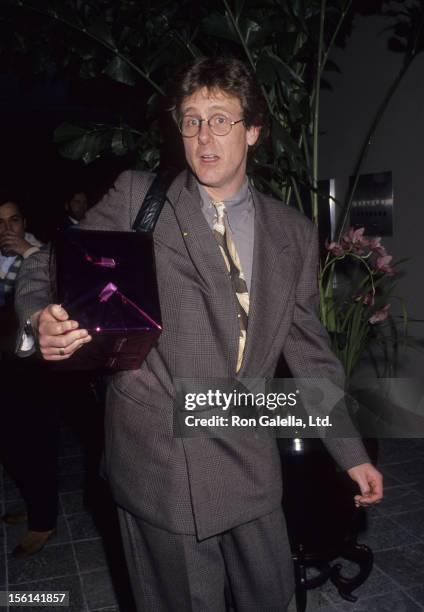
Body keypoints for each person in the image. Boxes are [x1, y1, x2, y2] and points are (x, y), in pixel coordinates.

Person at [15, 57, 383, 609]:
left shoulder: (293, 232)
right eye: (191, 120)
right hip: (161, 457)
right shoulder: (142, 196)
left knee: (270, 595)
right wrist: (38, 316)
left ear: (253, 131)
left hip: (247, 448)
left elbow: (310, 350)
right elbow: (47, 261)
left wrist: (350, 453)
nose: (203, 135)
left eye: (220, 119)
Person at [0, 197, 58, 556]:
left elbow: (63, 279)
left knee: (36, 443)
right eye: (0, 223)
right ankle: (33, 503)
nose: (7, 230)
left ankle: (44, 520)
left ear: (25, 222)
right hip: (4, 362)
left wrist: (28, 250)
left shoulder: (44, 251)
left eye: (13, 221)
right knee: (9, 442)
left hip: (34, 365)